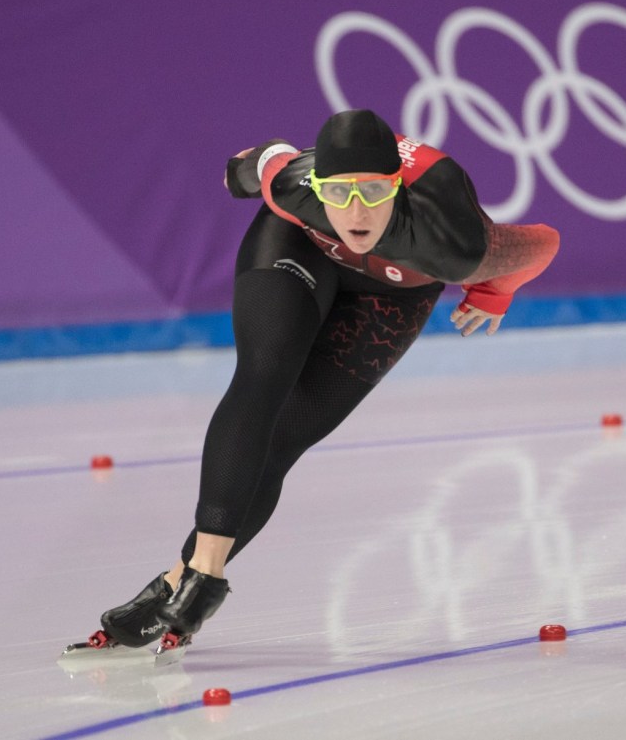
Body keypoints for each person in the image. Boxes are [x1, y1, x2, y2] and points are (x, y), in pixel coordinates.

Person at [92, 109, 560, 651]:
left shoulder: (452, 240)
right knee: (262, 377)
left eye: (371, 193)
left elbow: (543, 243)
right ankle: (204, 577)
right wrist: (236, 173)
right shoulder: (295, 186)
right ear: (317, 184)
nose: (355, 212)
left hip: (394, 292)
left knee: (284, 439)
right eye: (338, 194)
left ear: (398, 188)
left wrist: (492, 290)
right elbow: (260, 160)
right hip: (299, 247)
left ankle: (175, 583)